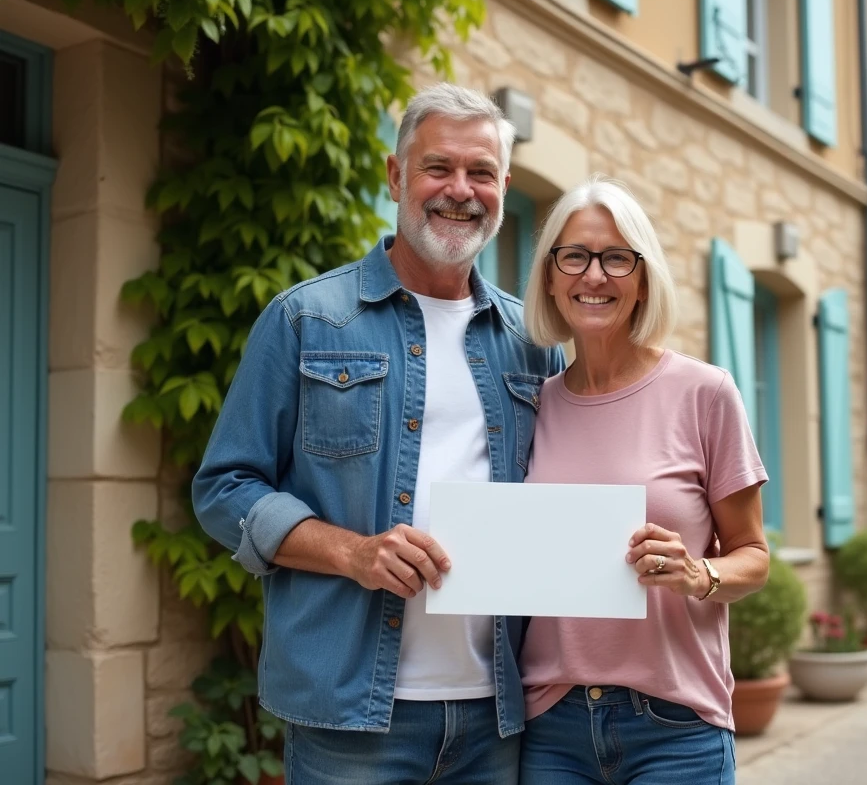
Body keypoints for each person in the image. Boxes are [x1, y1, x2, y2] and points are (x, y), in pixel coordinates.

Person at [191, 83, 563, 785]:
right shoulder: (306, 319)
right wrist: (353, 553)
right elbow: (224, 488)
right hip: (351, 718)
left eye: (480, 172)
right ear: (395, 176)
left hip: (500, 715)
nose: (460, 190)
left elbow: (566, 494)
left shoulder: (534, 341)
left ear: (504, 188)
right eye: (438, 168)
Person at [517, 176, 770, 784]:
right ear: (551, 277)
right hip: (551, 725)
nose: (594, 276)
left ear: (643, 277)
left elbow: (754, 557)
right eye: (574, 256)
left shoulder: (705, 393)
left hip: (676, 726)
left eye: (616, 259)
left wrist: (698, 574)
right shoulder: (528, 405)